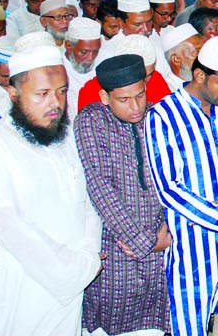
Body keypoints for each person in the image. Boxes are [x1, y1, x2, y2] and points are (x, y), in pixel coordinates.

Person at [0, 44, 103, 335]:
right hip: (23, 287)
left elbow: (88, 204)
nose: (55, 103)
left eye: (62, 92)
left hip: (75, 283)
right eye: (42, 94)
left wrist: (88, 258)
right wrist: (72, 271)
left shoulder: (66, 139)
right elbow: (8, 225)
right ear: (13, 93)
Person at [146, 37, 218, 336]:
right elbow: (169, 188)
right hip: (194, 249)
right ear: (200, 75)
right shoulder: (164, 116)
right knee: (188, 327)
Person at [75, 54, 171, 336]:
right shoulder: (91, 121)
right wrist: (144, 242)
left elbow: (175, 176)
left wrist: (167, 232)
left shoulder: (158, 117)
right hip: (117, 250)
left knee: (155, 324)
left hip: (161, 247)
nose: (135, 106)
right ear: (105, 97)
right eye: (124, 100)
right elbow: (100, 187)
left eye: (140, 95)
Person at [63, 17, 102, 120]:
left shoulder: (104, 62)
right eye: (84, 52)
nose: (90, 58)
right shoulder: (58, 70)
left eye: (95, 51)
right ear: (68, 45)